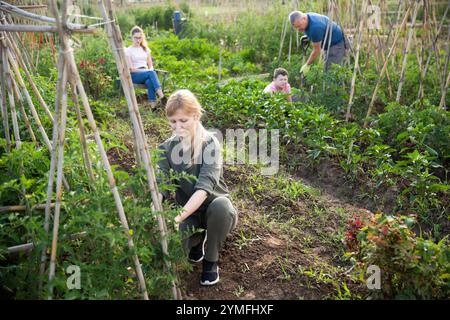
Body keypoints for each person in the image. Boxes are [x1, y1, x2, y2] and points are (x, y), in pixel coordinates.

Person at [156, 89, 238, 286]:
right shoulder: (165, 149)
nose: (178, 126)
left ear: (196, 116)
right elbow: (161, 187)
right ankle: (195, 240)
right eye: (173, 121)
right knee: (174, 247)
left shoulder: (210, 143)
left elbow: (203, 189)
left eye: (183, 120)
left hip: (213, 211)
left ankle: (211, 260)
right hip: (188, 213)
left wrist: (177, 217)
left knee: (222, 206)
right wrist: (156, 212)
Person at [125, 26, 166, 109]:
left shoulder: (145, 49)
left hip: (146, 73)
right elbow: (131, 69)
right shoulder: (128, 50)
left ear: (142, 37)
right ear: (131, 37)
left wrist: (148, 70)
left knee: (149, 82)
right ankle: (162, 97)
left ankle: (153, 108)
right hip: (135, 75)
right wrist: (146, 71)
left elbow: (150, 66)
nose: (138, 40)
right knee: (151, 73)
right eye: (135, 38)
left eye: (139, 38)